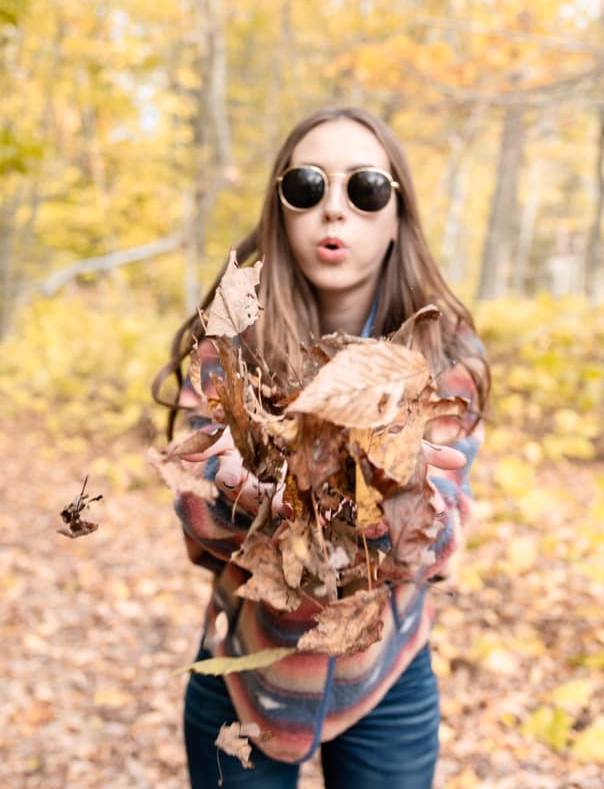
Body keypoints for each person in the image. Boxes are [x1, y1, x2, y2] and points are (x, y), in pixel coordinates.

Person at [152, 106, 490, 789]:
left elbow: (442, 538)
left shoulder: (444, 351)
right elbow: (198, 507)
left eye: (364, 189)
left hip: (386, 671)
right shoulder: (231, 340)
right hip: (243, 668)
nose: (334, 210)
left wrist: (324, 489)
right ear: (280, 212)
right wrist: (343, 487)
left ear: (398, 216)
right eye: (307, 186)